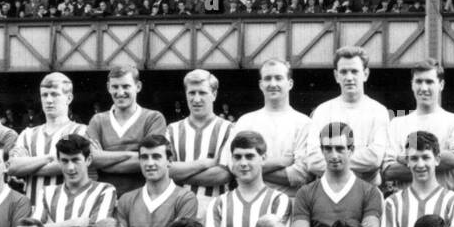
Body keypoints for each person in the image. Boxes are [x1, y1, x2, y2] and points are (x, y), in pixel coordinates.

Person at [290, 123, 383, 227]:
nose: (334, 155)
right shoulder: (305, 192)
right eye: (328, 149)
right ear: (322, 150)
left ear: (351, 150)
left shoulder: (370, 192)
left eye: (340, 149)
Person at [206, 131, 291, 227]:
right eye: (237, 157)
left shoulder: (278, 200)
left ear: (263, 158)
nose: (243, 163)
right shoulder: (218, 202)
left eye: (250, 156)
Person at [222, 59, 318, 191]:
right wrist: (282, 161)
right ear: (261, 85)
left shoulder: (304, 123)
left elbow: (301, 175)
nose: (273, 84)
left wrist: (251, 170)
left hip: (289, 204)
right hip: (250, 202)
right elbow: (232, 165)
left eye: (278, 78)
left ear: (290, 84)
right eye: (267, 78)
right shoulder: (245, 121)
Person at [114, 134, 199, 227]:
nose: (150, 163)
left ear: (169, 160)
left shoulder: (185, 198)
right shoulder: (126, 199)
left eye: (156, 156)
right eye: (144, 157)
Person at [383, 60, 454, 192]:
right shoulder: (397, 124)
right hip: (407, 206)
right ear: (412, 85)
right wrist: (437, 161)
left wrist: (405, 158)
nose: (424, 88)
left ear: (441, 85)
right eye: (419, 82)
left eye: (429, 82)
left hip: (445, 204)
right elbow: (389, 171)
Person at [36, 134, 117, 227]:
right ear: (59, 162)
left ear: (88, 160)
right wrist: (74, 223)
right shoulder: (46, 192)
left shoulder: (105, 190)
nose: (70, 167)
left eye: (76, 160)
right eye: (65, 161)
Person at [309, 47, 390, 184]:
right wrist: (358, 163)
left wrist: (332, 159)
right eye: (344, 72)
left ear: (365, 74)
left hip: (367, 193)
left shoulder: (378, 111)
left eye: (354, 71)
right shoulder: (323, 111)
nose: (349, 77)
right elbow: (313, 161)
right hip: (329, 192)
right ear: (336, 76)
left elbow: (375, 158)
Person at [9, 72, 88, 208]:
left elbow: (68, 166)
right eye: (44, 95)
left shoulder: (81, 131)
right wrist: (50, 158)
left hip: (68, 208)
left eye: (55, 94)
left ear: (69, 98)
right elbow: (12, 167)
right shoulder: (27, 134)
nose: (49, 100)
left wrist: (28, 167)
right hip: (32, 210)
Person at [86, 64, 166, 197]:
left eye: (126, 86)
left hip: (144, 197)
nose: (120, 92)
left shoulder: (153, 118)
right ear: (108, 88)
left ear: (138, 86)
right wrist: (134, 155)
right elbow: (92, 159)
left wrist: (105, 157)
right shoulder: (97, 120)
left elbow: (151, 159)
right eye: (115, 87)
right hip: (105, 198)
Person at [166, 69, 233, 202]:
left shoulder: (229, 129)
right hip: (177, 205)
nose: (196, 99)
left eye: (202, 92)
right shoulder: (172, 129)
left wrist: (179, 173)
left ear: (214, 94)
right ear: (186, 94)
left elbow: (223, 174)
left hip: (215, 205)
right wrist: (203, 164)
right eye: (192, 93)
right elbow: (166, 170)